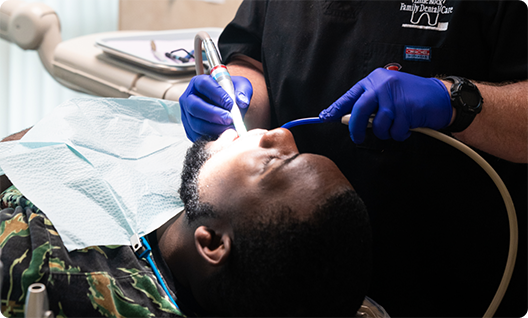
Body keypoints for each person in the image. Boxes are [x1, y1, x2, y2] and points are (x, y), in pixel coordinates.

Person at [179, 1, 528, 317]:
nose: (283, 136)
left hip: (443, 274)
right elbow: (251, 54)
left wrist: (456, 103)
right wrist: (241, 99)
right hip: (279, 281)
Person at [0, 127, 373, 318]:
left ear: (211, 243)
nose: (282, 134)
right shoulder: (204, 190)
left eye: (273, 162)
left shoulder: (40, 261)